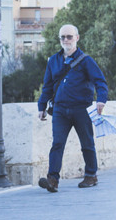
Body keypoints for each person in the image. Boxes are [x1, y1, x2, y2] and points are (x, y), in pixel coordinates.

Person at [36, 24, 109, 192]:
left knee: (87, 144)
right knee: (57, 144)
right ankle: (52, 180)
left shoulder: (86, 61)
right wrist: (42, 106)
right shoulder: (53, 61)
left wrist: (101, 100)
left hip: (81, 108)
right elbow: (47, 86)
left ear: (77, 38)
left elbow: (100, 81)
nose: (66, 40)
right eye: (63, 37)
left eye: (69, 36)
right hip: (60, 110)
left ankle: (91, 176)